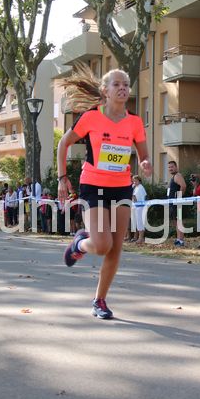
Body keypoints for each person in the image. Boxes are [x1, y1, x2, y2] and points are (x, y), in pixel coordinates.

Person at [57, 66, 152, 319]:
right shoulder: (91, 117)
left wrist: (145, 163)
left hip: (121, 187)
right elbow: (63, 143)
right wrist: (62, 178)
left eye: (126, 85)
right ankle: (79, 243)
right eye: (117, 84)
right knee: (101, 245)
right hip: (94, 184)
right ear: (105, 90)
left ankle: (100, 300)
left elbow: (144, 154)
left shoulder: (134, 122)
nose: (123, 88)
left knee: (115, 248)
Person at [166, 161, 188, 246]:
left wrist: (179, 198)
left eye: (172, 167)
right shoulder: (174, 177)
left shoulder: (177, 175)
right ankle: (178, 239)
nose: (170, 169)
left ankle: (181, 240)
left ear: (176, 167)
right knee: (176, 222)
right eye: (169, 167)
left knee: (179, 221)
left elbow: (183, 186)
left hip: (177, 203)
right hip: (173, 203)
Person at [131, 175, 147, 244]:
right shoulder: (136, 187)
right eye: (133, 181)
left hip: (140, 207)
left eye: (136, 181)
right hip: (136, 207)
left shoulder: (140, 187)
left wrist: (132, 195)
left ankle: (141, 238)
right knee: (138, 222)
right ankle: (139, 238)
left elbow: (136, 198)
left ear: (139, 181)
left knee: (140, 222)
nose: (134, 182)